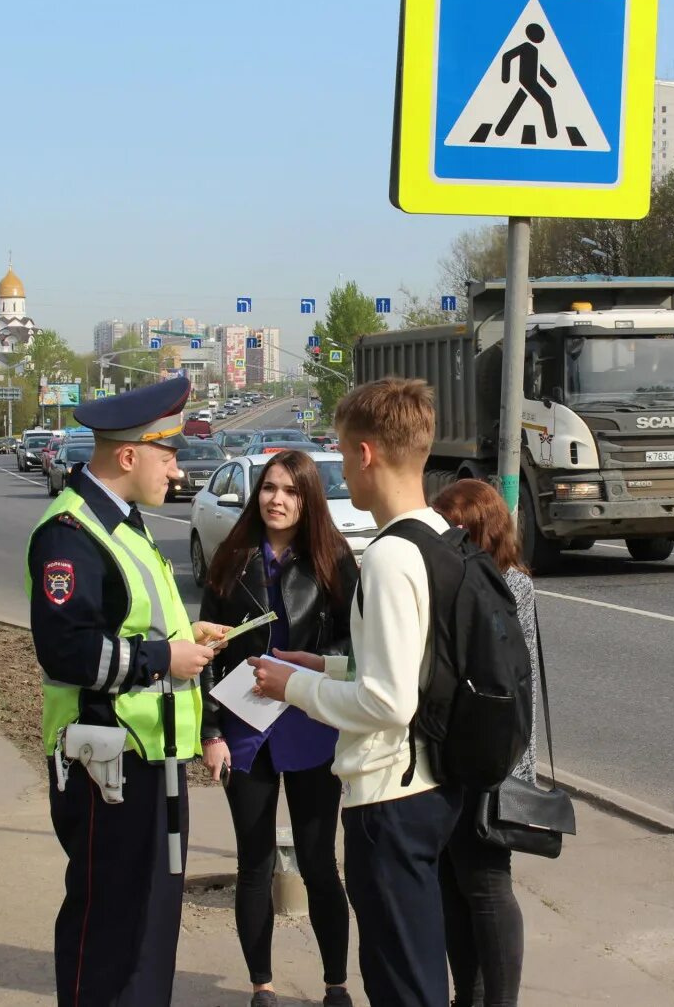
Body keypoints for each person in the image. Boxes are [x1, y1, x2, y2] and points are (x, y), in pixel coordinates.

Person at [252, 378, 461, 1007]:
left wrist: (298, 686)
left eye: (343, 455)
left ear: (366, 456)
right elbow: (412, 668)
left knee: (399, 980)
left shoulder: (392, 557)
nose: (342, 468)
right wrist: (328, 664)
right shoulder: (437, 537)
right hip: (429, 784)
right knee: (419, 967)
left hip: (388, 798)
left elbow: (389, 702)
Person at [25, 376, 230, 1007]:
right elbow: (67, 649)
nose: (179, 471)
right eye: (169, 457)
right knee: (109, 928)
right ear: (130, 455)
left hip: (152, 757)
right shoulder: (71, 532)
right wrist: (161, 657)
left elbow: (127, 622)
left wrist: (180, 636)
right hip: (107, 763)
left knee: (150, 926)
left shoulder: (124, 525)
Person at [199, 449, 358, 1007]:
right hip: (246, 731)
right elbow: (207, 653)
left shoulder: (334, 560)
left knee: (318, 862)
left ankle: (336, 983)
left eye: (290, 490)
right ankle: (261, 985)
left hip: (310, 723)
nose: (277, 499)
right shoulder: (232, 558)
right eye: (269, 488)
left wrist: (311, 664)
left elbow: (355, 646)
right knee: (254, 863)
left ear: (307, 498)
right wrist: (211, 732)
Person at [429, 479, 540, 1007]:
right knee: (454, 886)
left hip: (495, 757)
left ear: (479, 529)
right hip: (456, 755)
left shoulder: (509, 584)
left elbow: (509, 684)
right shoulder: (459, 578)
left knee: (487, 886)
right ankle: (466, 999)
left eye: (454, 525)